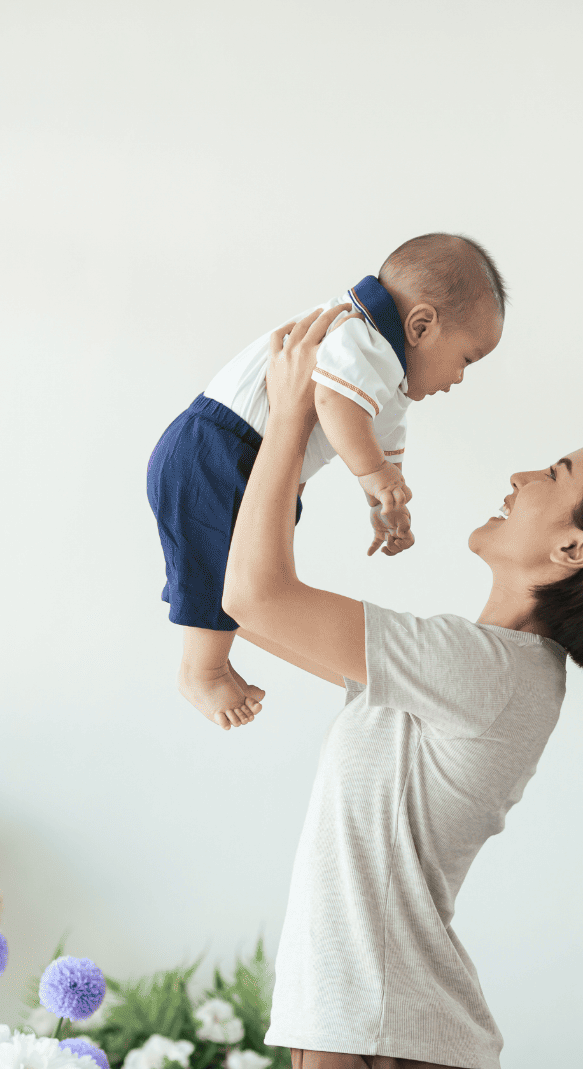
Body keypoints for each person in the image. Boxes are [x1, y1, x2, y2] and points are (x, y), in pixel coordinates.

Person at [221, 307, 583, 1069]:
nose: (523, 475)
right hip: (379, 1048)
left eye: (555, 474)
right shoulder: (487, 670)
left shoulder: (482, 670)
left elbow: (255, 598)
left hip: (387, 1056)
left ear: (574, 548)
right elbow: (261, 609)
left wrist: (297, 412)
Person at [146, 233, 507, 731]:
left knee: (222, 564)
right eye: (467, 359)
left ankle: (210, 659)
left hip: (239, 455)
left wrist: (386, 502)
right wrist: (375, 475)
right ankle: (201, 669)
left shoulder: (386, 370)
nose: (461, 378)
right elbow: (336, 406)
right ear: (421, 325)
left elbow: (375, 438)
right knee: (220, 562)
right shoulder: (362, 337)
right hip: (221, 447)